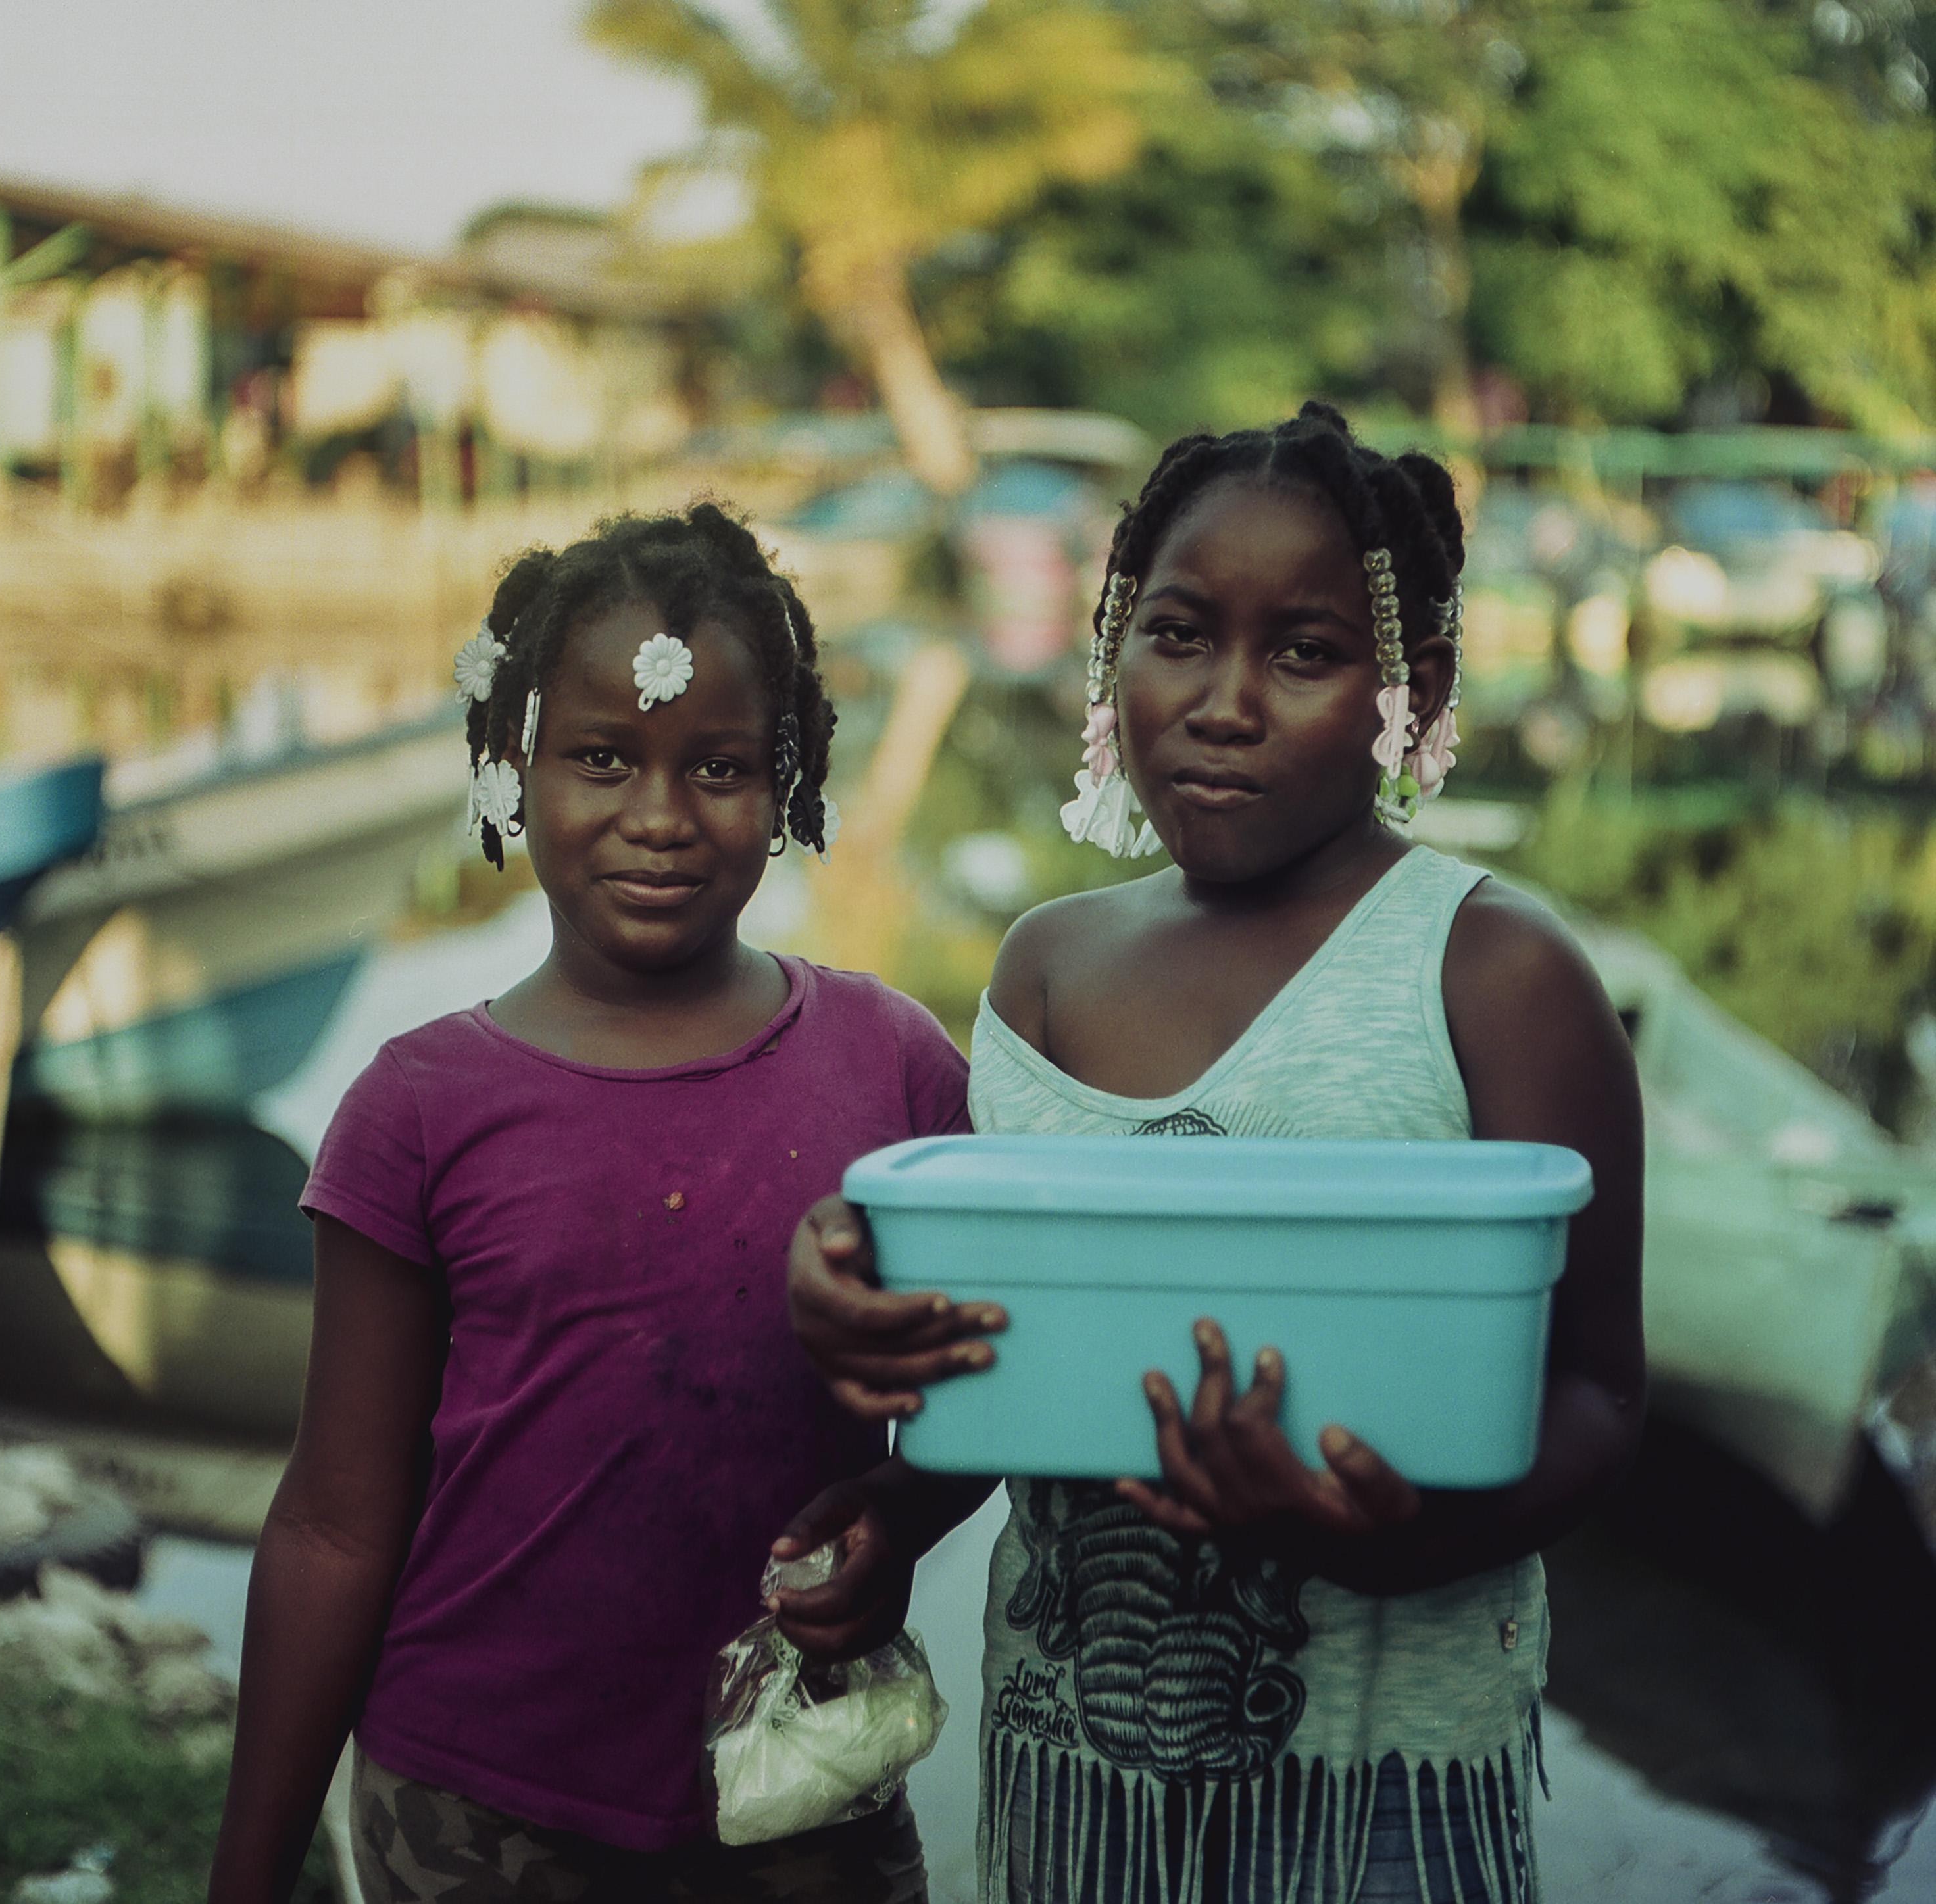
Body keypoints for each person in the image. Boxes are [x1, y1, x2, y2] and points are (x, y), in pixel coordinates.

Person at [781, 404, 1645, 1902]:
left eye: (1304, 653)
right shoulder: (1048, 968)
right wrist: (900, 1492)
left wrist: (1387, 1544)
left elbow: (1601, 1391)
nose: (1223, 701)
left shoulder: (1493, 974)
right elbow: (1029, 1349)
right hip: (1075, 1777)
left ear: (1410, 687)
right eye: (1178, 632)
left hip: (1379, 1802)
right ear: (1112, 650)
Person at [209, 505, 971, 1904]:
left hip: (800, 1781)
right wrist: (248, 1869)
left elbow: (1004, 1369)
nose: (661, 816)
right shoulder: (419, 1106)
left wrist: (905, 1509)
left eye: (722, 766)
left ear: (786, 774)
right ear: (515, 766)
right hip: (475, 1814)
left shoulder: (896, 1063)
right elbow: (334, 1519)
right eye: (602, 757)